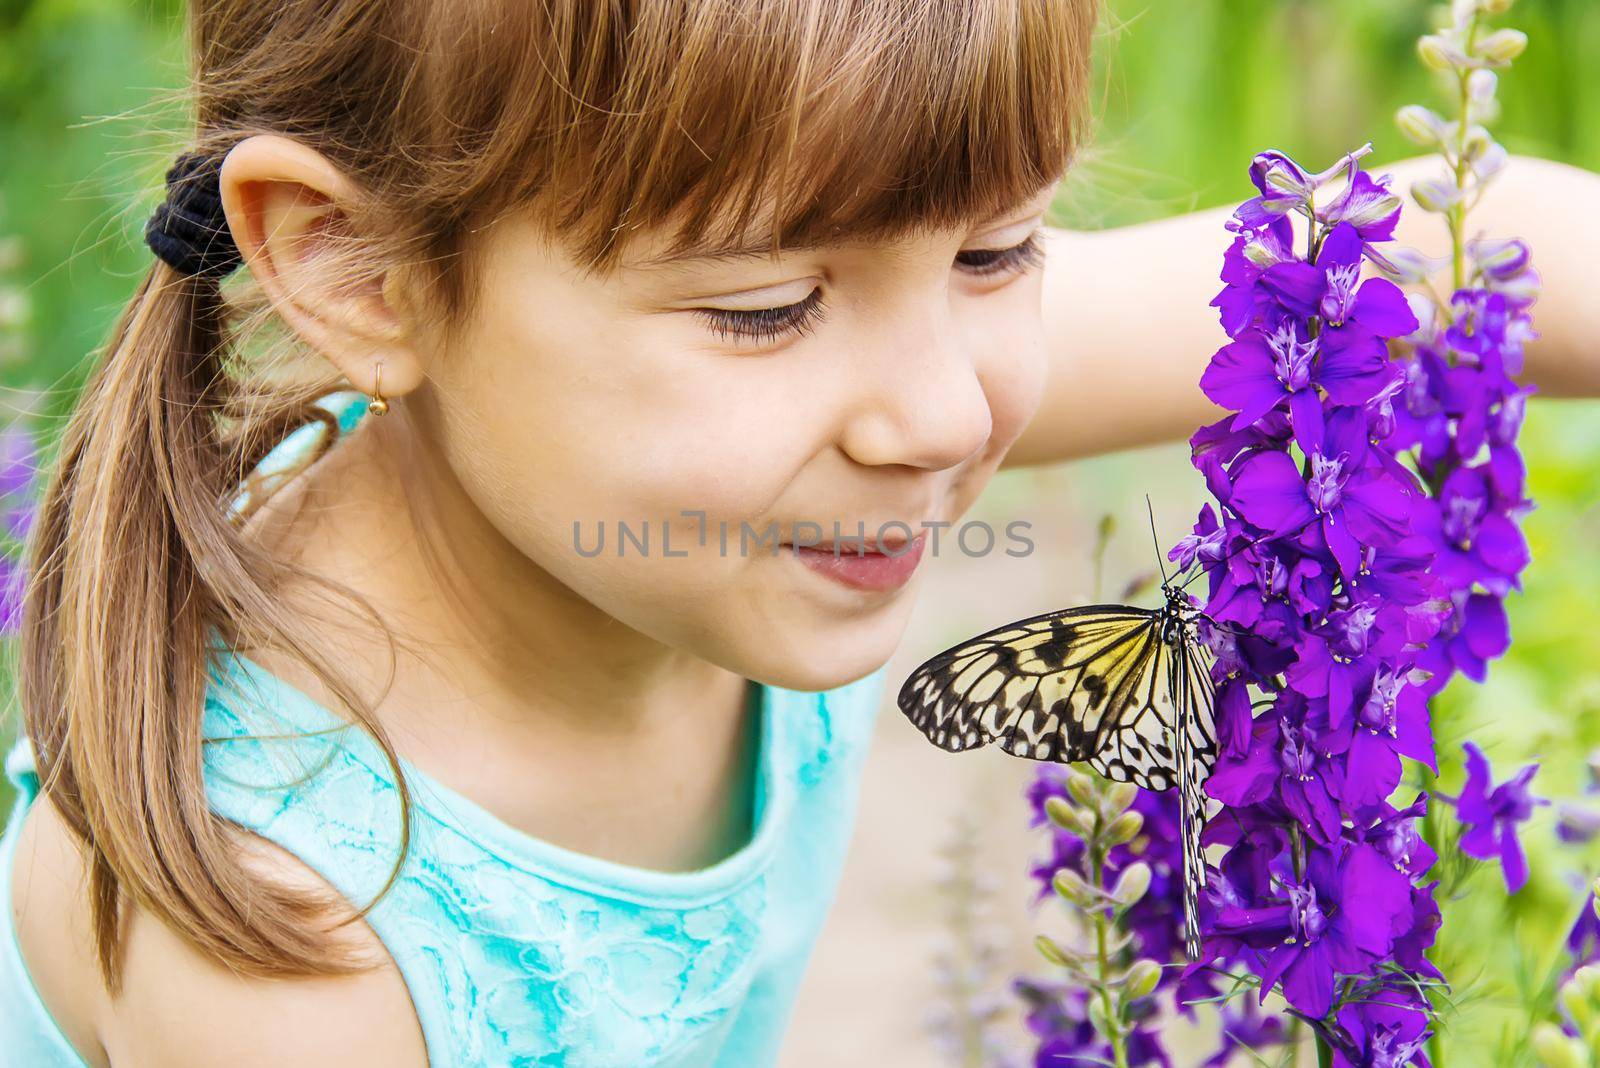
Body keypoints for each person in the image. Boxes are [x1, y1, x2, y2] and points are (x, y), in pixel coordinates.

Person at [1, 1, 1597, 1065]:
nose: (949, 421)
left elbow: (1473, 240)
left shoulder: (749, 454)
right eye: (768, 308)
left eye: (999, 251)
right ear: (358, 273)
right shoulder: (279, 944)